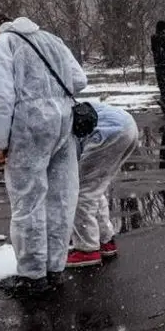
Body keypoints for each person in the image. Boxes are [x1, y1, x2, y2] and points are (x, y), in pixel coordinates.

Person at [0, 11, 88, 297]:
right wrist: (51, 90)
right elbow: (79, 80)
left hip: (28, 126)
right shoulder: (51, 39)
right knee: (60, 199)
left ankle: (32, 274)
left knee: (28, 201)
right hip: (64, 123)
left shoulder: (2, 44)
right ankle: (55, 267)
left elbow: (1, 97)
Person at [66, 102, 139, 268]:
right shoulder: (59, 105)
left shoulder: (49, 118)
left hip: (109, 131)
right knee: (94, 189)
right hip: (125, 124)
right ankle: (105, 240)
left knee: (80, 191)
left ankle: (87, 250)